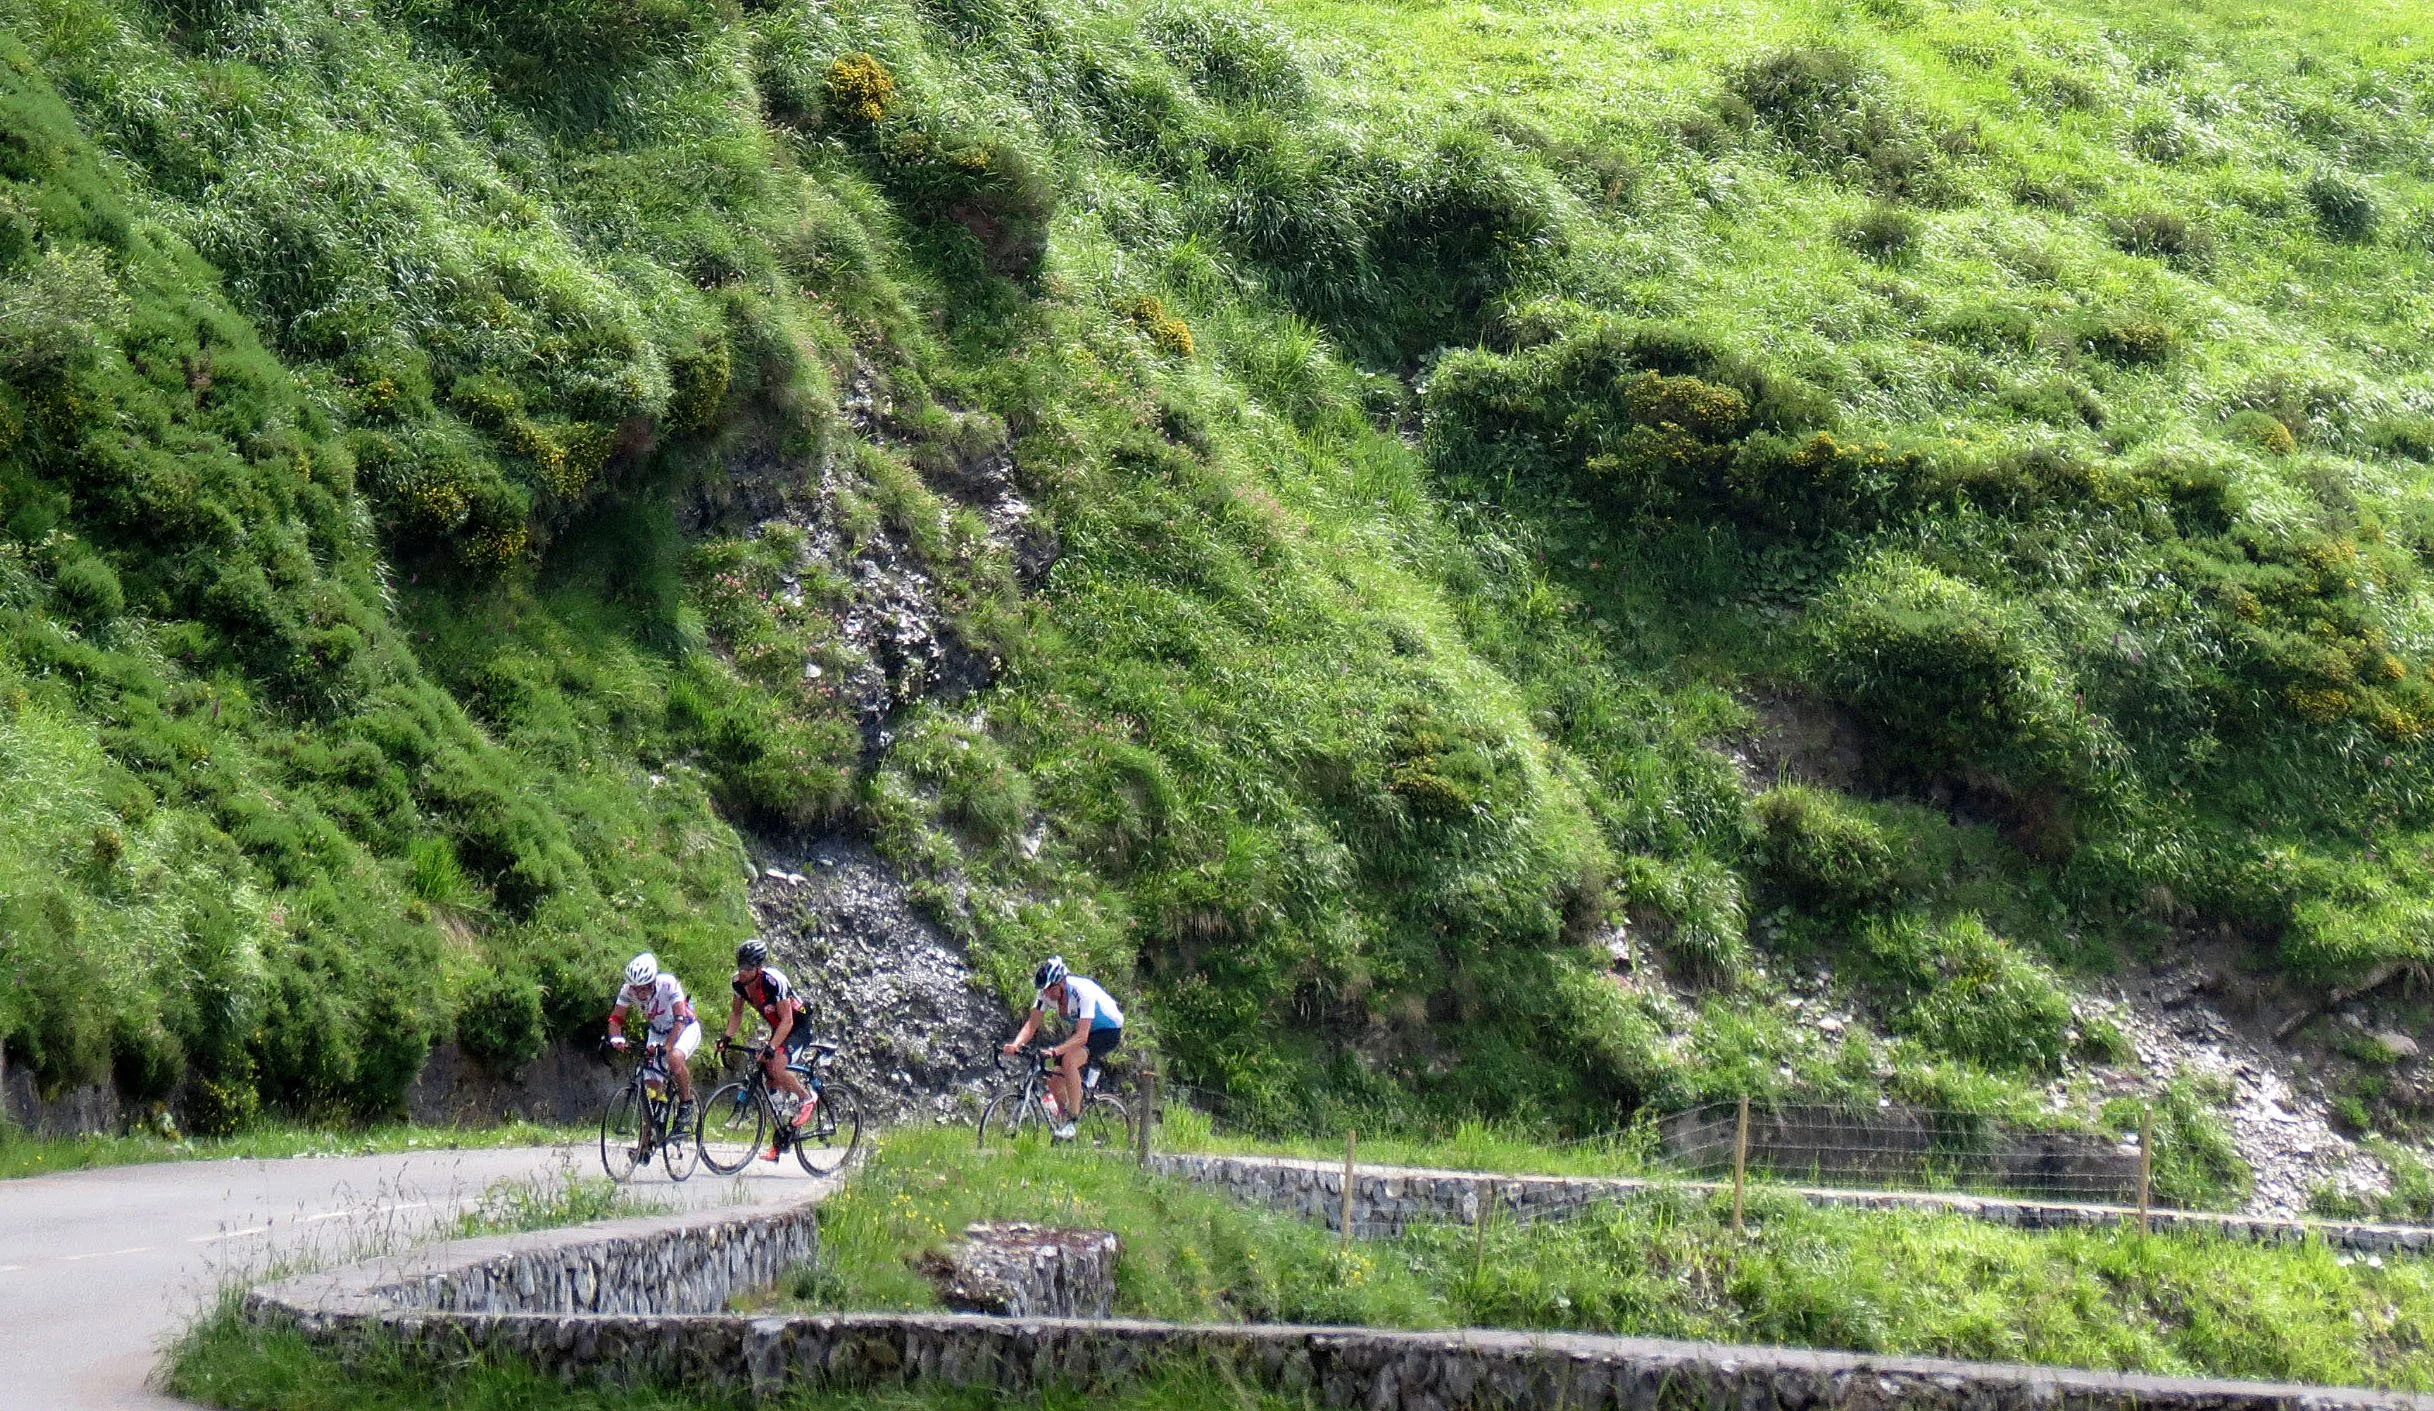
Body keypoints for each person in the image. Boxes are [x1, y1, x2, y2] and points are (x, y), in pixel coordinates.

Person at [1001, 955, 1123, 1140]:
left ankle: (1072, 1120)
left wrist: (1054, 1051)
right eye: (1044, 990)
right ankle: (1064, 1122)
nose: (1047, 993)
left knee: (1069, 1060)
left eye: (1050, 989)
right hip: (1086, 1029)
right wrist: (1016, 1044)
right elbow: (1031, 1025)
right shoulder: (1046, 994)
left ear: (1062, 983)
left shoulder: (1083, 991)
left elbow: (1082, 1036)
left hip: (1108, 1031)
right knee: (1054, 1081)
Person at [720, 938, 817, 1156]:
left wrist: (772, 1047)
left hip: (797, 1026)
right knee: (768, 1077)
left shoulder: (774, 981)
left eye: (748, 968)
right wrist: (726, 1038)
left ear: (758, 967)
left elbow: (788, 1020)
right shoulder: (738, 983)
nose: (742, 972)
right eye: (740, 966)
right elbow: (736, 1013)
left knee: (776, 1065)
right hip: (779, 1027)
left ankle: (806, 1099)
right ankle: (781, 1137)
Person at [607, 951, 699, 1131]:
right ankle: (651, 1133)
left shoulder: (668, 984)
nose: (639, 993)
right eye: (635, 988)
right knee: (651, 1084)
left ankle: (686, 1104)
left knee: (674, 1058)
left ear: (652, 982)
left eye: (644, 988)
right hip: (657, 1031)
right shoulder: (627, 990)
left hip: (685, 1027)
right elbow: (616, 1019)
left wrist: (667, 1046)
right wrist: (615, 1037)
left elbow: (680, 1020)